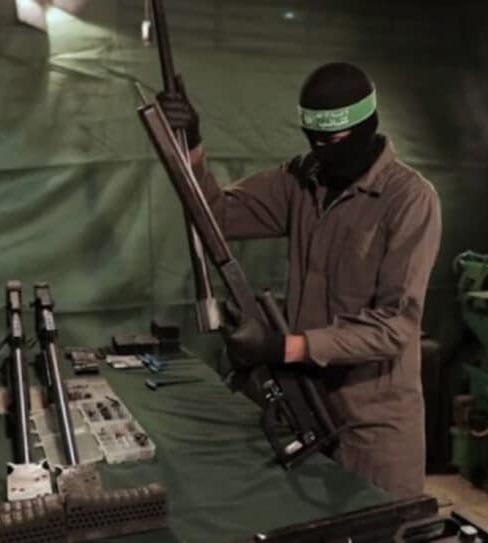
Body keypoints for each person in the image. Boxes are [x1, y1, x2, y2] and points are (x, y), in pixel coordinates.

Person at [157, 62, 442, 498]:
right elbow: (215, 217)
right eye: (313, 139)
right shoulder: (302, 179)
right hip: (304, 405)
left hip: (374, 426)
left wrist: (283, 347)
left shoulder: (409, 200)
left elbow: (394, 327)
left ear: (366, 126)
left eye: (334, 141)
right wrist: (190, 145)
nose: (322, 153)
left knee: (378, 524)